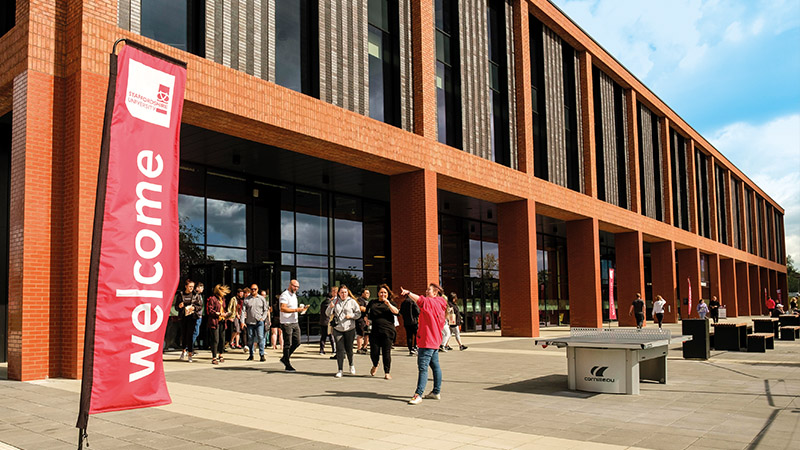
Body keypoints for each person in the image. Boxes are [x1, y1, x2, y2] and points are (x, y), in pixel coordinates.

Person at [400, 283, 447, 405]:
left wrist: (408, 293)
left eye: (429, 290)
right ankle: (436, 392)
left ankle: (418, 394)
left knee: (423, 368)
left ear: (436, 292)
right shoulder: (441, 303)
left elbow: (420, 300)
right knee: (435, 366)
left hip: (427, 341)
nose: (426, 291)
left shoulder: (430, 303)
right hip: (435, 340)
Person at [327, 285, 361, 377]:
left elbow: (358, 313)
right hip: (338, 328)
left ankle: (351, 365)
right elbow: (327, 313)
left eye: (345, 292)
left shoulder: (352, 301)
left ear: (347, 293)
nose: (343, 294)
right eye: (341, 292)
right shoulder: (335, 301)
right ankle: (340, 369)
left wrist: (351, 316)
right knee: (339, 349)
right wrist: (330, 307)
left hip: (349, 328)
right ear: (339, 293)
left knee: (349, 348)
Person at [366, 284, 399, 379]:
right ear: (378, 293)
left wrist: (388, 304)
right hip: (375, 331)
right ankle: (375, 364)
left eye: (385, 293)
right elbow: (366, 312)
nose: (383, 294)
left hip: (388, 331)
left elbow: (396, 312)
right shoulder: (372, 302)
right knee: (374, 352)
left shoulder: (391, 303)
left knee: (386, 352)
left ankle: (387, 372)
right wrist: (365, 318)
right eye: (381, 292)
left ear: (388, 294)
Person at [280, 279, 309, 372]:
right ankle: (287, 363)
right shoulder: (285, 295)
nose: (296, 288)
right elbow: (283, 308)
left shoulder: (294, 296)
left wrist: (302, 309)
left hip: (295, 321)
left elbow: (294, 308)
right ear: (290, 285)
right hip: (286, 322)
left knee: (297, 341)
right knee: (288, 343)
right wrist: (296, 310)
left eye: (297, 287)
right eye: (294, 286)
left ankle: (285, 357)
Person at [175, 279, 202, 362]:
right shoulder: (181, 294)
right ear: (186, 286)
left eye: (192, 287)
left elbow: (200, 306)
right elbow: (176, 307)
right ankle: (183, 350)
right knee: (184, 334)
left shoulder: (195, 295)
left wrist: (194, 308)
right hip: (183, 317)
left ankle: (190, 352)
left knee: (190, 335)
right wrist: (179, 306)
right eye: (190, 286)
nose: (191, 288)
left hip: (192, 317)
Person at [242, 284, 269, 362]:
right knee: (250, 339)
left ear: (257, 290)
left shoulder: (261, 299)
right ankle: (251, 354)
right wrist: (242, 321)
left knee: (260, 337)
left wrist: (263, 318)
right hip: (250, 322)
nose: (253, 290)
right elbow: (243, 311)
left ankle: (262, 354)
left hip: (259, 322)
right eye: (252, 289)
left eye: (255, 289)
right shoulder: (247, 299)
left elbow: (265, 310)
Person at [206, 284, 229, 365]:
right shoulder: (213, 299)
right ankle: (214, 357)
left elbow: (224, 309)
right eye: (223, 291)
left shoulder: (223, 299)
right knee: (215, 339)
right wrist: (219, 314)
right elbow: (210, 310)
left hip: (222, 321)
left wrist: (226, 314)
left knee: (222, 339)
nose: (224, 293)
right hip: (215, 321)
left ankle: (221, 354)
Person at [319, 286, 338, 357]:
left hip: (322, 321)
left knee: (323, 337)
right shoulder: (330, 302)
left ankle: (321, 350)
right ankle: (334, 350)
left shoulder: (323, 302)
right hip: (329, 321)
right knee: (331, 336)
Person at [355, 289, 370, 354]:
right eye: (366, 293)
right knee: (361, 334)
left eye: (369, 293)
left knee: (367, 334)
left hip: (367, 320)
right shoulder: (360, 300)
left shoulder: (367, 301)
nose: (368, 294)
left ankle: (364, 347)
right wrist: (370, 309)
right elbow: (361, 308)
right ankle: (359, 348)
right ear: (362, 294)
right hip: (361, 319)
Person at [191, 283, 205, 352]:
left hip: (199, 316)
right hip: (196, 316)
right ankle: (190, 348)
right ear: (197, 288)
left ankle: (191, 347)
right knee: (195, 332)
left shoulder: (199, 295)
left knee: (196, 332)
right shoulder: (195, 295)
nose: (202, 289)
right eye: (201, 287)